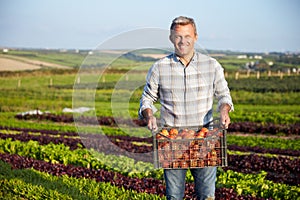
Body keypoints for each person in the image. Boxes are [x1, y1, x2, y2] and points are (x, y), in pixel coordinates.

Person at [139, 16, 233, 200]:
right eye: (178, 36)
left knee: (206, 195)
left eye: (187, 36)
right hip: (172, 141)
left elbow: (224, 95)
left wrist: (224, 110)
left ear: (195, 36)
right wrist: (149, 115)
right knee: (174, 196)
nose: (183, 41)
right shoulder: (159, 67)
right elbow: (147, 99)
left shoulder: (211, 65)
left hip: (204, 139)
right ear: (171, 38)